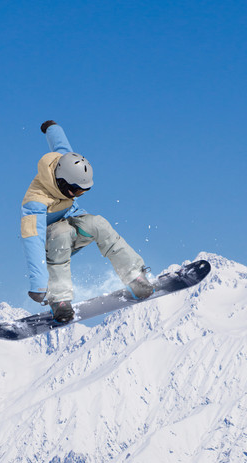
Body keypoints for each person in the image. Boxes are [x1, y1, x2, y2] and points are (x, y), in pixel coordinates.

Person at [20, 120, 154, 324]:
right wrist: (38, 285)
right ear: (62, 183)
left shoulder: (65, 161)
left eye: (84, 191)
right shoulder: (35, 203)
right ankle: (60, 300)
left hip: (72, 224)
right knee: (61, 233)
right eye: (77, 191)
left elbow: (60, 143)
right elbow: (33, 241)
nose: (79, 195)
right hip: (50, 243)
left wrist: (52, 128)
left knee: (98, 223)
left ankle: (135, 277)